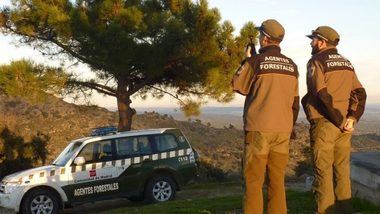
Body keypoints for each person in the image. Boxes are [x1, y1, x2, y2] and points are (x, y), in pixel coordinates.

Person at [232, 19, 299, 214]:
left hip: (259, 130)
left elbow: (238, 85)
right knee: (277, 181)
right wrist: (290, 126)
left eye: (261, 35)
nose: (260, 38)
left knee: (253, 181)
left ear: (265, 38)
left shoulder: (256, 62)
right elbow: (295, 102)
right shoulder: (292, 66)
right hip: (283, 131)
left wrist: (246, 60)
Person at [302, 26, 367, 214]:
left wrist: (338, 120)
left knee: (323, 173)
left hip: (325, 123)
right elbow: (360, 93)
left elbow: (321, 94)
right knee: (342, 172)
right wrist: (352, 118)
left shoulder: (316, 61)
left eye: (313, 39)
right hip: (344, 127)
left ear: (322, 42)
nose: (311, 42)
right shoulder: (347, 63)